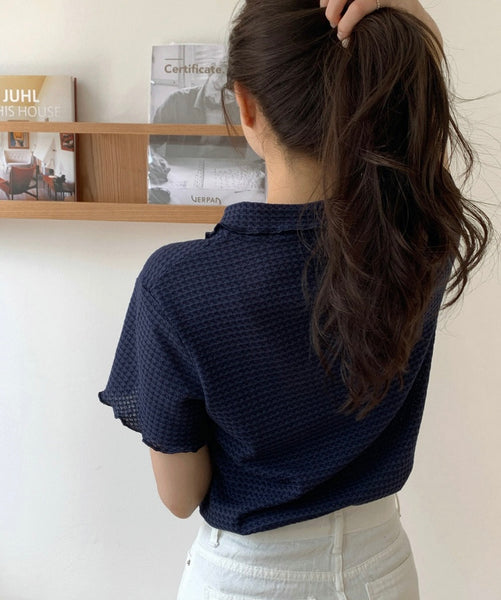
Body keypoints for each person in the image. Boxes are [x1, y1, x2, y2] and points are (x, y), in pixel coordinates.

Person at [99, 1, 491, 598]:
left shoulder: (178, 284)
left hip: (248, 580)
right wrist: (412, 18)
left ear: (246, 105)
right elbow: (421, 130)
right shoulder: (417, 244)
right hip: (383, 571)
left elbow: (181, 496)